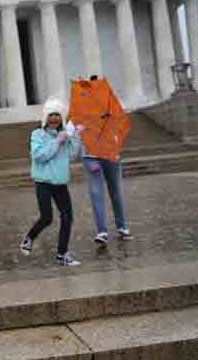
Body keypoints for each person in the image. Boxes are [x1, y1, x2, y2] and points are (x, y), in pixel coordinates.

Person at [20, 97, 83, 266]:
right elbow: (39, 156)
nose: (54, 118)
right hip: (43, 182)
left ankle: (62, 254)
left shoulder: (64, 134)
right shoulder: (37, 134)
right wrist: (57, 141)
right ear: (45, 117)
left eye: (57, 115)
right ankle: (29, 237)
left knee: (67, 217)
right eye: (51, 115)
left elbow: (72, 155)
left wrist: (75, 136)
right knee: (47, 217)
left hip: (60, 182)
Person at [82, 75, 133, 245]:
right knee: (97, 194)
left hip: (111, 154)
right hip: (92, 157)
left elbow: (119, 128)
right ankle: (102, 231)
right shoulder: (82, 110)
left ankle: (122, 226)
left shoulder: (112, 107)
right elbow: (76, 132)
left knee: (116, 191)